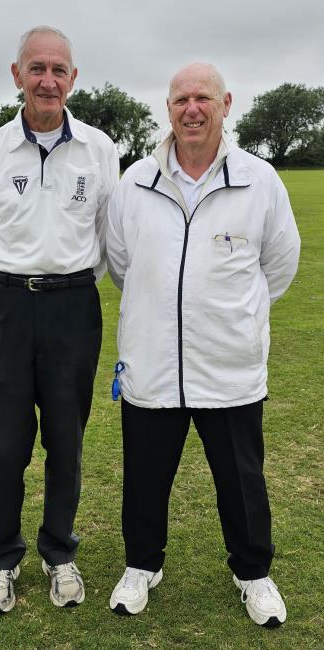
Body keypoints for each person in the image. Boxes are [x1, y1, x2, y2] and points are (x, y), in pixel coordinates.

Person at [106, 62, 300, 627]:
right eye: (181, 98)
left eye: (203, 98)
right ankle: (142, 565)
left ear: (225, 104)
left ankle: (254, 573)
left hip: (229, 366)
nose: (192, 108)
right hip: (152, 364)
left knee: (242, 481)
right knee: (144, 477)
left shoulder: (260, 180)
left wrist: (231, 318)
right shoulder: (135, 180)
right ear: (167, 108)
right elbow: (124, 265)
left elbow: (278, 266)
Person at [0, 25, 119, 614]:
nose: (48, 80)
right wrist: (17, 288)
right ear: (16, 74)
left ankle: (59, 552)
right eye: (37, 68)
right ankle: (1, 557)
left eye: (59, 69)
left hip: (75, 308)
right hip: (4, 308)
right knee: (4, 440)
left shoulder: (99, 149)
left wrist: (62, 288)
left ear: (74, 78)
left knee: (67, 441)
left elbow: (107, 240)